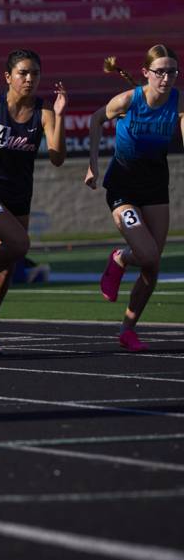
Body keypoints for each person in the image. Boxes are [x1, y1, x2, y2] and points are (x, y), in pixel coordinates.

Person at [0, 49, 67, 356]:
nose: (29, 79)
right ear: (8, 77)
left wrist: (60, 116)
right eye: (23, 73)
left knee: (8, 268)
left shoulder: (44, 112)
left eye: (35, 73)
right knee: (20, 244)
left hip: (19, 195)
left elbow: (57, 158)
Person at [85, 45, 181, 352]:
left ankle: (127, 329)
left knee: (153, 266)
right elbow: (96, 119)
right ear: (146, 73)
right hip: (123, 187)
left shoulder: (178, 101)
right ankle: (120, 258)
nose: (166, 78)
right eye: (160, 72)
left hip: (155, 187)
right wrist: (92, 165)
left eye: (172, 72)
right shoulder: (129, 100)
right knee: (147, 255)